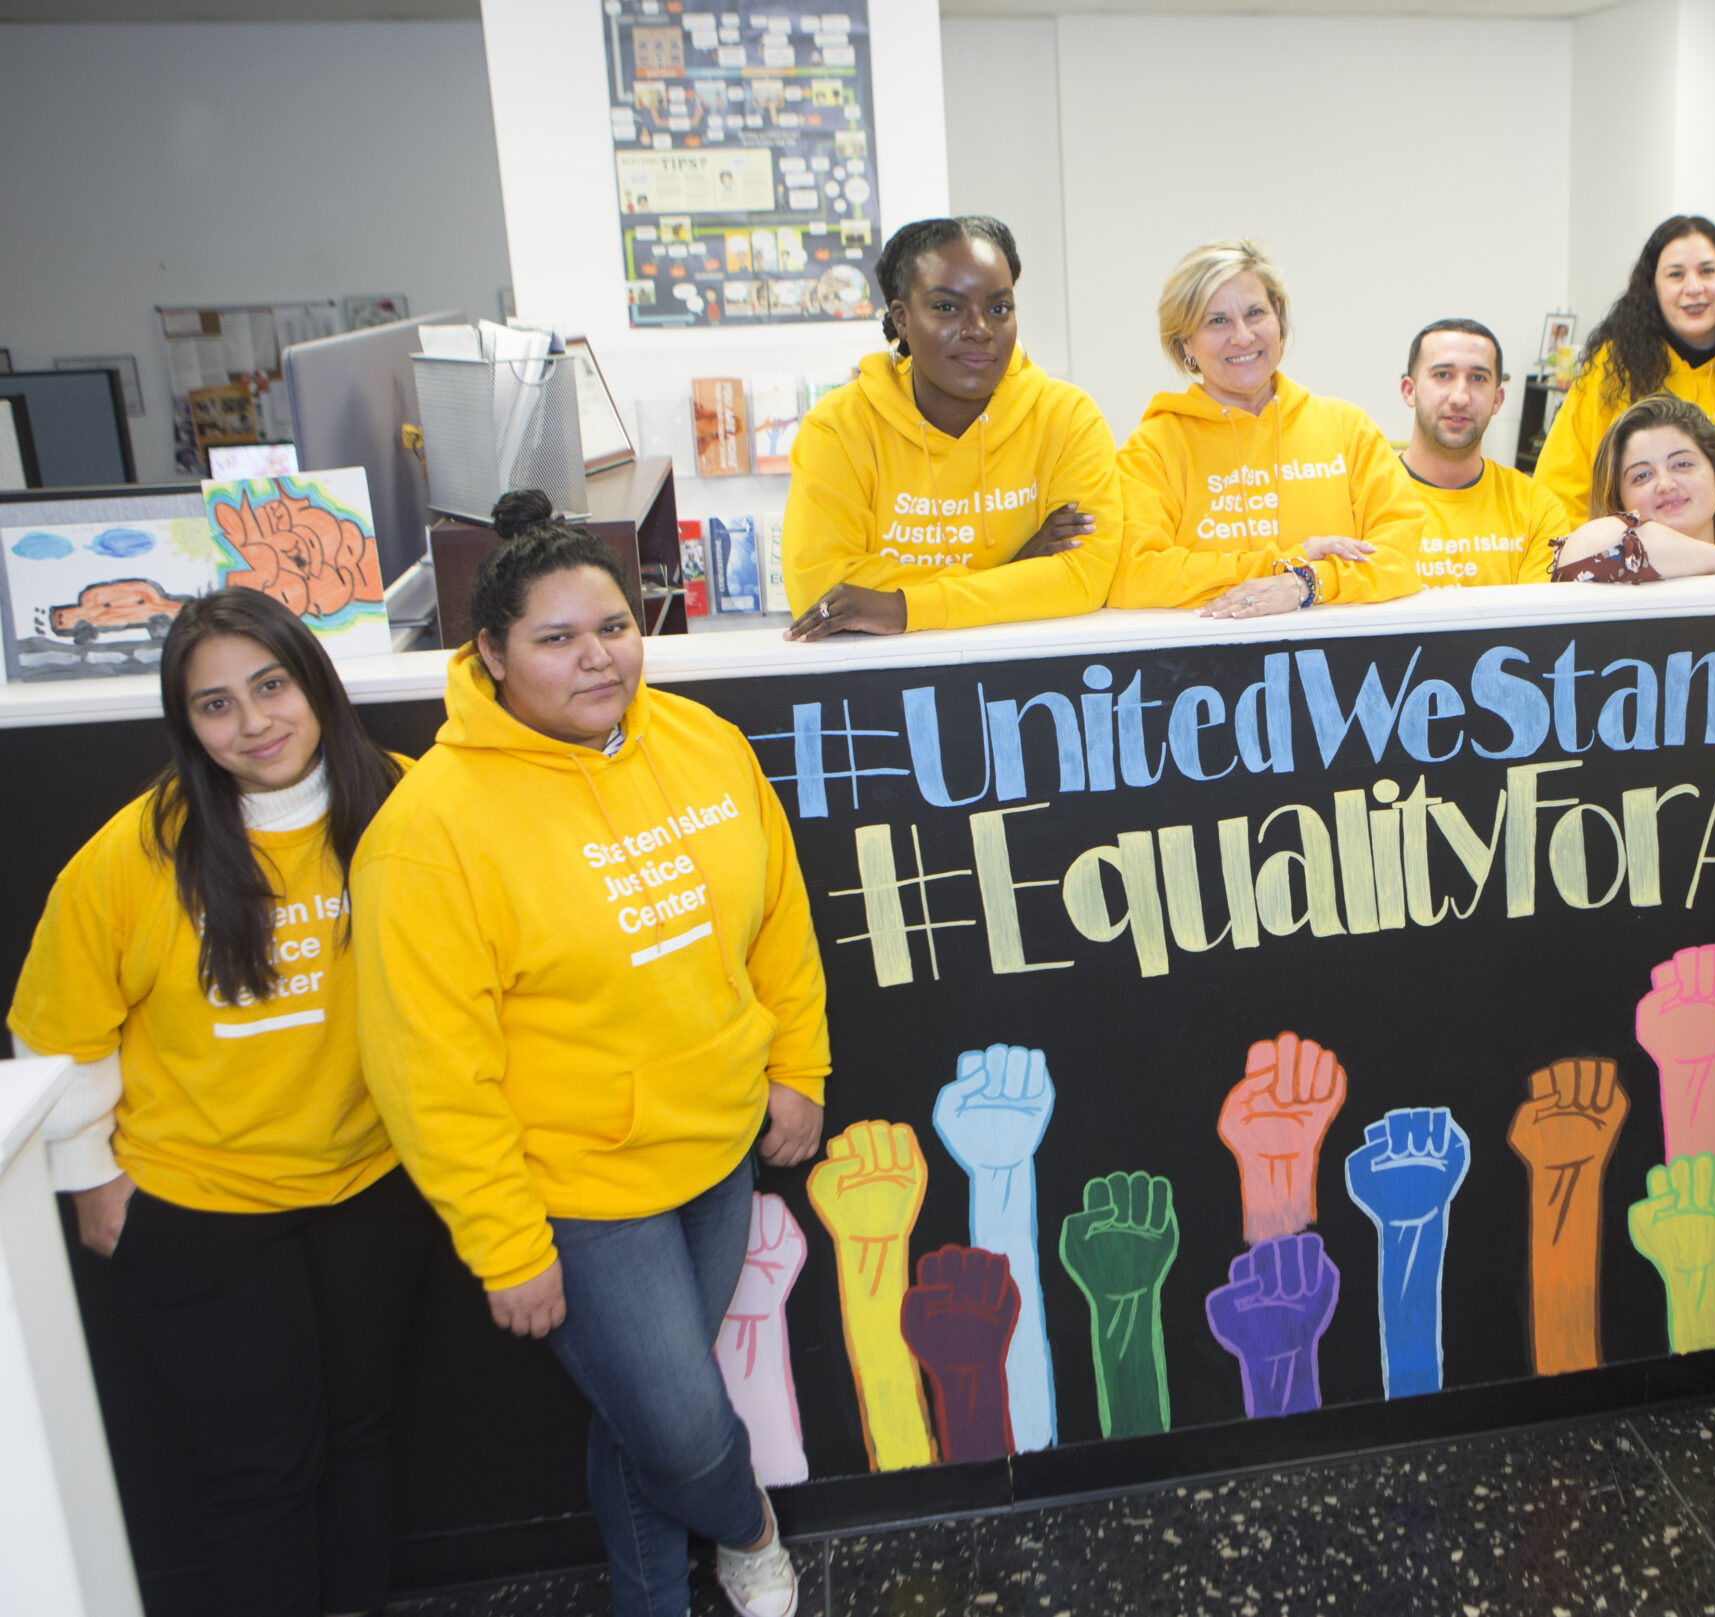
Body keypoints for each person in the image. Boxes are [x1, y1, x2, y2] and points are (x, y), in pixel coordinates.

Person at [352, 492, 829, 1617]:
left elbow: (779, 925)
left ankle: (649, 1596)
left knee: (639, 1415)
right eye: (555, 639)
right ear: (489, 654)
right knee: (671, 1414)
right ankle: (752, 1527)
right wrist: (504, 1243)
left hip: (714, 1148)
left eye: (613, 627)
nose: (596, 658)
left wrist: (796, 1069)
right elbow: (427, 1068)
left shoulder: (702, 745)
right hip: (574, 1187)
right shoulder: (430, 832)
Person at [10, 587, 430, 1617]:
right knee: (263, 1473)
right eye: (216, 706)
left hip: (370, 1182)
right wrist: (90, 1178)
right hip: (202, 1202)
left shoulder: (411, 805)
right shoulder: (136, 853)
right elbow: (54, 1031)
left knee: (360, 1440)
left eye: (271, 686)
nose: (254, 724)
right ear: (187, 726)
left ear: (315, 683)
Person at [781, 215, 1121, 638]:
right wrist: (1014, 572)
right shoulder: (837, 428)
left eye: (999, 308)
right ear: (902, 319)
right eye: (947, 307)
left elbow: (1085, 577)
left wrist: (904, 607)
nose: (979, 329)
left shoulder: (1068, 418)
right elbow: (819, 589)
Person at [1110, 239, 1424, 617]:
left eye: (1255, 313)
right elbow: (1134, 574)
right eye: (1217, 320)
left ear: (1278, 317)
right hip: (1204, 672)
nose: (1242, 336)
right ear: (1185, 344)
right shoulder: (1153, 449)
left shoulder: (1348, 429)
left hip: (1344, 668)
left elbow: (1401, 555)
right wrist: (1282, 564)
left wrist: (1303, 583)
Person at [1532, 216, 1715, 518]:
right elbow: (1558, 492)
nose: (1694, 288)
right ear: (1652, 286)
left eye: (1708, 271)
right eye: (1675, 275)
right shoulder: (1611, 370)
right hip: (1639, 563)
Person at [1396, 318, 1576, 588]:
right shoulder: (1365, 499)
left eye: (1478, 378)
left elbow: (1533, 625)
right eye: (1443, 375)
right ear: (1409, 391)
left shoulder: (1536, 508)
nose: (1460, 397)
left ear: (1497, 399)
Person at [1549, 394, 1715, 583]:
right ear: (1618, 502)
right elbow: (1591, 545)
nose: (1666, 484)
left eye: (1682, 464)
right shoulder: (1597, 575)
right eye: (1642, 476)